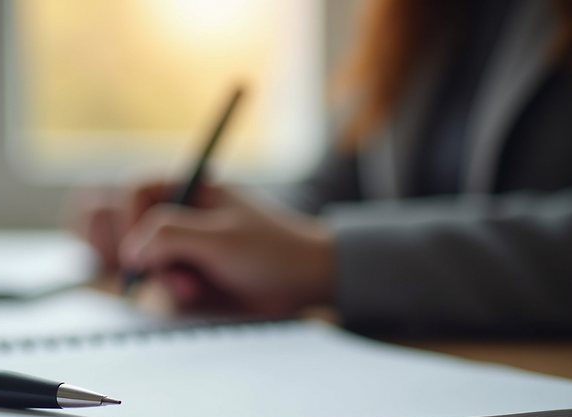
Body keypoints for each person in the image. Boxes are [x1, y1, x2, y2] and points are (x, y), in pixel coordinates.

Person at [75, 0, 572, 337]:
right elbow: (330, 192)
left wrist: (321, 261)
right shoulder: (421, 20)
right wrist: (201, 224)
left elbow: (313, 240)